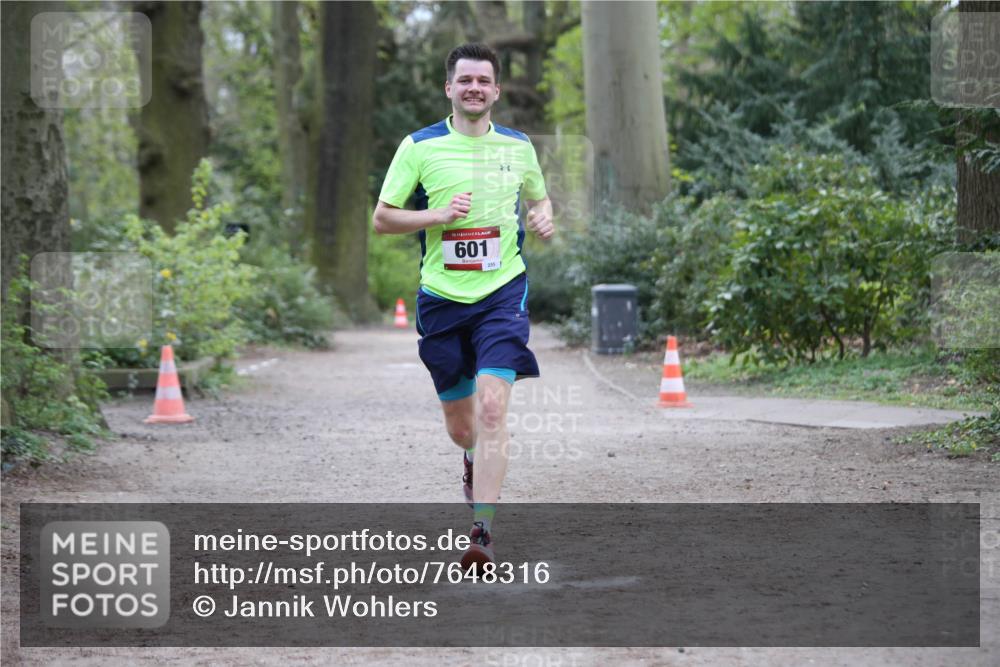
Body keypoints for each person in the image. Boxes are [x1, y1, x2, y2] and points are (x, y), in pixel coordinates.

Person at [372, 43, 554, 571]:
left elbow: (539, 198)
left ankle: (483, 531)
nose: (474, 87)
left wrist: (544, 217)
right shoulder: (419, 146)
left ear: (496, 91)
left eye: (484, 80)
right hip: (442, 299)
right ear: (449, 88)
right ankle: (471, 459)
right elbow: (382, 219)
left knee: (494, 407)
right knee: (462, 427)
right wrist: (436, 216)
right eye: (465, 80)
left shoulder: (519, 147)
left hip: (503, 291)